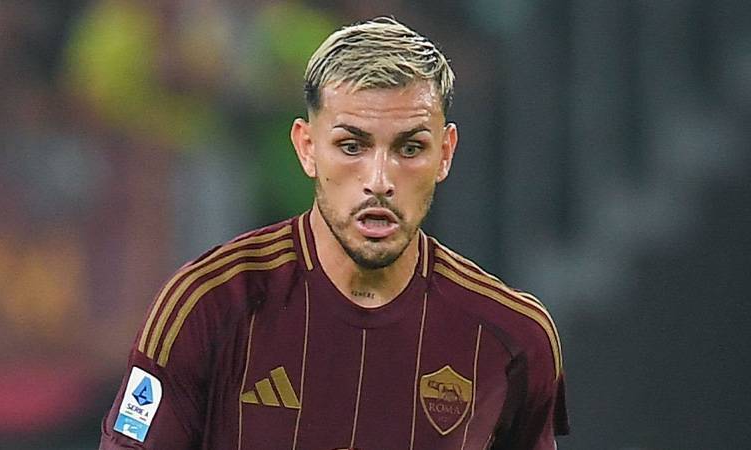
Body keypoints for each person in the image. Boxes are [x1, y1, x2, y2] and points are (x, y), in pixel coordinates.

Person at [99, 16, 569, 449]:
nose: (379, 180)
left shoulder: (512, 337)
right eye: (351, 146)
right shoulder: (206, 305)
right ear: (307, 147)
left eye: (410, 148)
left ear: (445, 154)